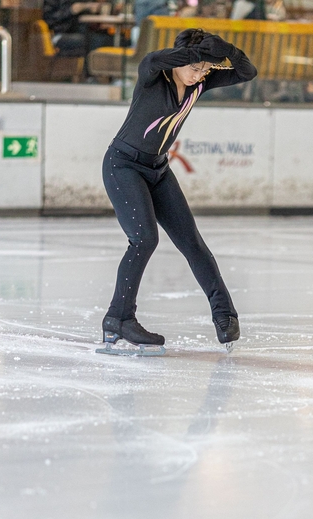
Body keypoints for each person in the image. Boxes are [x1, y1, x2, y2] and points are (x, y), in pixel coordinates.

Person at [100, 28, 257, 352]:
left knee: (192, 242)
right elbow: (154, 58)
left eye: (205, 70)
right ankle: (119, 318)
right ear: (181, 59)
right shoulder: (153, 74)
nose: (199, 75)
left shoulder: (199, 84)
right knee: (144, 239)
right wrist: (199, 53)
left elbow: (247, 72)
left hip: (158, 170)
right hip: (123, 165)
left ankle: (225, 315)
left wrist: (227, 49)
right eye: (195, 67)